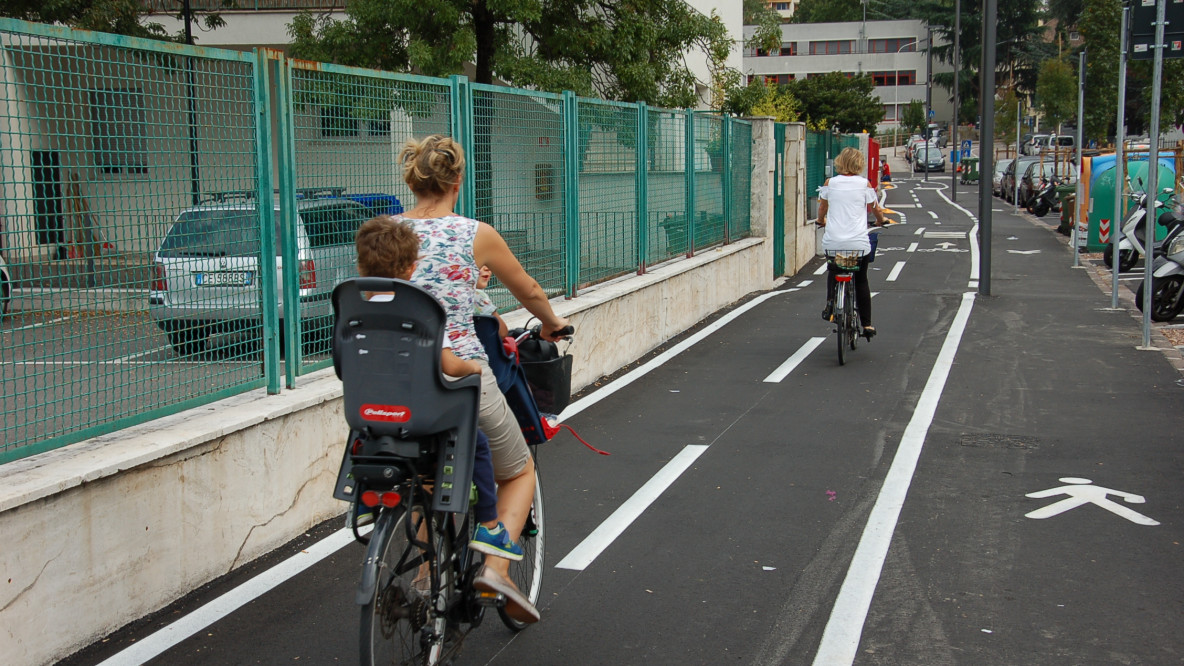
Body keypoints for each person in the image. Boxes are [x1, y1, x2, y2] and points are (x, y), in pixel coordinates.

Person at [394, 134, 571, 624]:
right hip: (459, 375)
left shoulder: (384, 230)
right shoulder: (475, 234)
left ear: (414, 179)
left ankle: (426, 574)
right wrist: (552, 323)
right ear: (457, 181)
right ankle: (496, 568)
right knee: (518, 471)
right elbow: (530, 289)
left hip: (394, 381)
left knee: (423, 475)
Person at [352, 217, 524, 564]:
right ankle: (490, 525)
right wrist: (472, 367)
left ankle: (362, 504)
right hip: (423, 414)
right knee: (477, 444)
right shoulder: (419, 312)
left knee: (364, 443)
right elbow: (448, 364)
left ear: (360, 265)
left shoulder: (356, 313)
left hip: (370, 412)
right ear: (413, 267)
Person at [817, 147, 888, 339]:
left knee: (834, 271)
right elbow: (876, 209)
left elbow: (822, 207)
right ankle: (867, 324)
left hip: (834, 242)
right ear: (859, 163)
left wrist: (820, 220)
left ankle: (831, 306)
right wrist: (881, 221)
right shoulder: (864, 184)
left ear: (840, 162)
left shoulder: (830, 183)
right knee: (861, 279)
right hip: (857, 243)